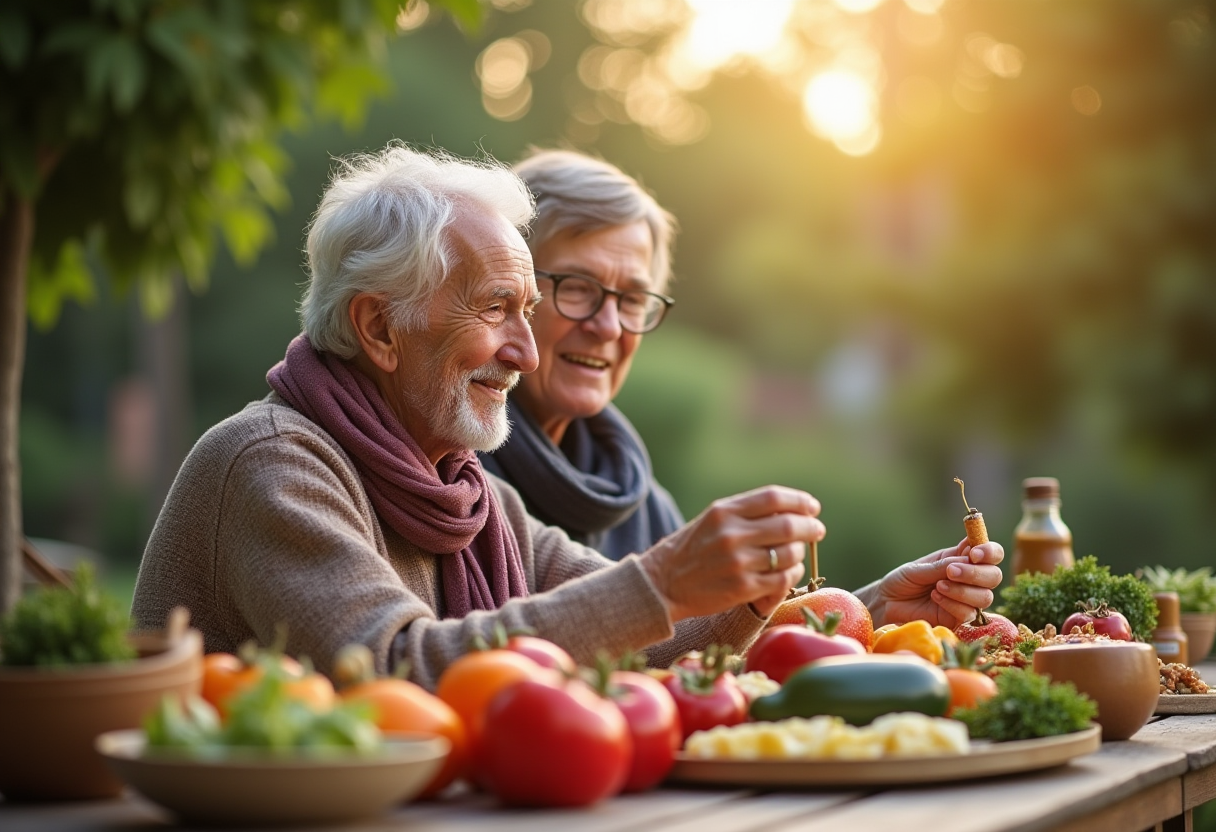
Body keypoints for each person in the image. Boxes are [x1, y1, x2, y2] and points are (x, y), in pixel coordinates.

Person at [130, 144, 998, 690]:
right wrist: (664, 579)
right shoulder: (274, 463)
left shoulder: (469, 496)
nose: (526, 349)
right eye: (499, 309)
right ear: (379, 329)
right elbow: (396, 669)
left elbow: (646, 639)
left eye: (526, 309)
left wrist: (790, 598)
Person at [479, 149, 1003, 627]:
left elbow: (697, 651)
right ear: (508, 293)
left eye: (633, 299)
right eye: (576, 287)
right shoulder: (454, 482)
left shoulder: (638, 501)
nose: (609, 326)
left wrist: (870, 611)